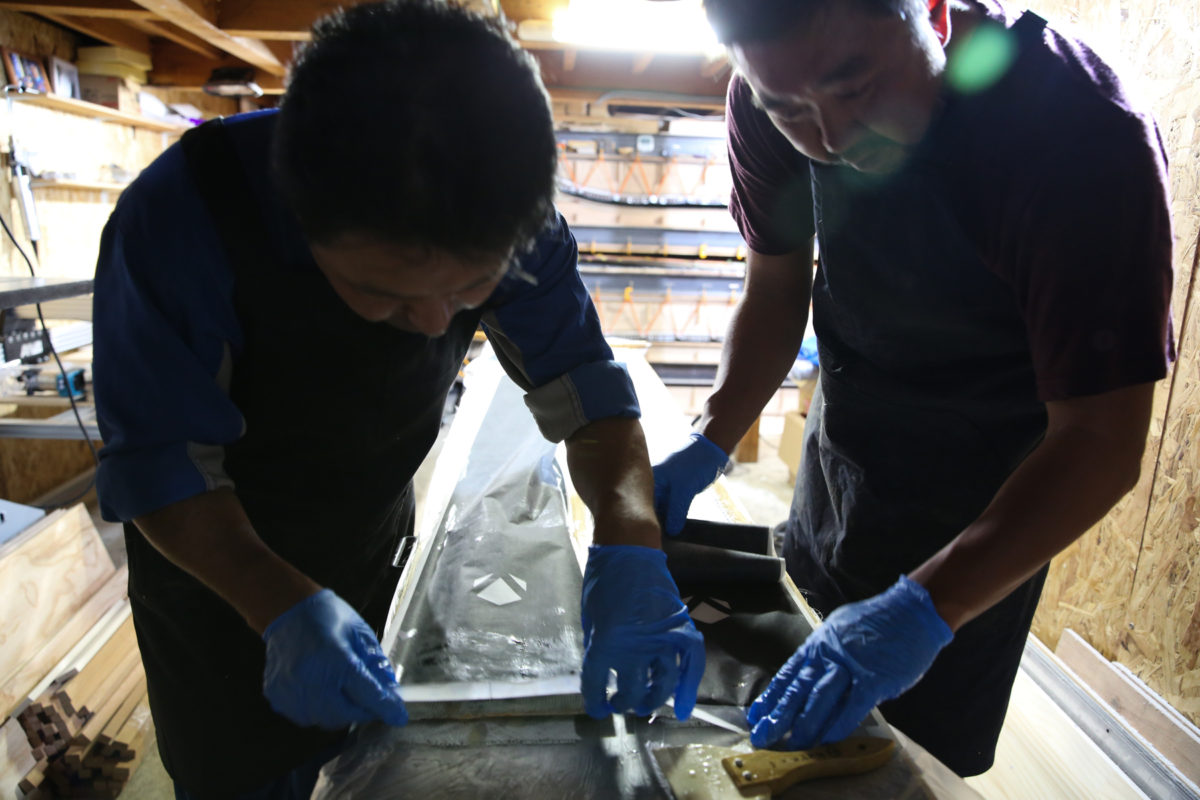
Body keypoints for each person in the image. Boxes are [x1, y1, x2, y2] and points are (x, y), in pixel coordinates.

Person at [92, 2, 703, 797]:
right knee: (243, 772)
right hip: (212, 569)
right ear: (299, 210)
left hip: (372, 539)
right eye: (383, 294)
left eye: (472, 287)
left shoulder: (510, 208)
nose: (436, 324)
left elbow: (586, 391)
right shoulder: (183, 220)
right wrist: (276, 601)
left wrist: (631, 540)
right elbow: (159, 463)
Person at [653, 0, 1173, 776]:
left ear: (931, 12)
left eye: (856, 87)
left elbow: (1100, 441)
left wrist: (929, 608)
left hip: (986, 507)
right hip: (844, 451)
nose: (833, 137)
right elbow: (774, 290)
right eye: (791, 110)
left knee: (908, 762)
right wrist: (709, 437)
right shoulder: (769, 95)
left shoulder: (1082, 140)